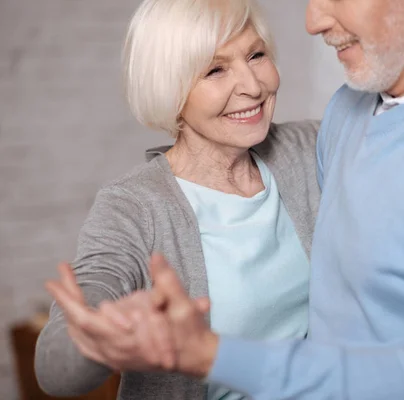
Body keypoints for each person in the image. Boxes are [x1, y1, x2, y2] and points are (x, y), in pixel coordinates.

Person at [48, 0, 404, 399]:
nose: (312, 20)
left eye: (256, 55)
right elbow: (61, 359)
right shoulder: (349, 115)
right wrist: (106, 333)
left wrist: (211, 353)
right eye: (214, 68)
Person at [34, 0, 320, 399]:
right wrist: (99, 340)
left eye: (256, 55)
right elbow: (56, 370)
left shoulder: (307, 149)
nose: (253, 86)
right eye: (215, 70)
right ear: (171, 87)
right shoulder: (134, 205)